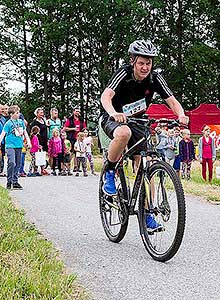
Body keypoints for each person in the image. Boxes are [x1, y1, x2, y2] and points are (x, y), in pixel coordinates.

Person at [100, 40, 189, 232]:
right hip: (114, 118)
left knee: (145, 164)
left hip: (139, 121)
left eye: (148, 63)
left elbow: (172, 101)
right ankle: (110, 171)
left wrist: (181, 115)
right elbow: (106, 96)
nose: (145, 67)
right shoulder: (123, 74)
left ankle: (148, 214)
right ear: (133, 61)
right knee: (124, 132)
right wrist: (113, 112)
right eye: (141, 63)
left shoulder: (155, 78)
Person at [0, 105, 31, 190]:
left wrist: (29, 142)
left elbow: (25, 133)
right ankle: (9, 180)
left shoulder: (21, 122)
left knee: (18, 163)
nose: (18, 114)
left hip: (19, 145)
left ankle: (15, 181)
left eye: (18, 112)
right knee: (12, 162)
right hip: (10, 145)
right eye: (17, 113)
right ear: (11, 114)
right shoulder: (8, 123)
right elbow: (3, 133)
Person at [64, 107, 87, 171]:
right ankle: (67, 166)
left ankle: (76, 167)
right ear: (73, 112)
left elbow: (84, 127)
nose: (78, 113)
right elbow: (65, 128)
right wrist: (73, 129)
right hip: (72, 137)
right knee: (71, 152)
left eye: (79, 112)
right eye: (76, 111)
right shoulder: (70, 119)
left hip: (80, 138)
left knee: (77, 153)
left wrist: (84, 132)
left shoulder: (81, 120)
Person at [30, 107, 49, 175]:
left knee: (43, 155)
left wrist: (47, 139)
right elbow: (33, 132)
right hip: (37, 141)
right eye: (40, 113)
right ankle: (35, 170)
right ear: (37, 114)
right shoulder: (34, 122)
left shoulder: (44, 121)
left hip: (44, 140)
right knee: (36, 155)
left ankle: (42, 169)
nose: (42, 114)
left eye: (42, 113)